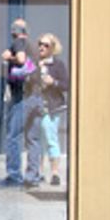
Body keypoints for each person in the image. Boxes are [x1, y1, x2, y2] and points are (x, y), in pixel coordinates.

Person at [0, 23, 40, 187]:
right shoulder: (33, 47)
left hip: (22, 96)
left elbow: (21, 59)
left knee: (13, 137)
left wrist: (9, 57)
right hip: (36, 96)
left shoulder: (19, 43)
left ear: (15, 32)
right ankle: (33, 177)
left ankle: (14, 176)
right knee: (33, 139)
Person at [36, 32, 69, 189]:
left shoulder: (58, 65)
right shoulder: (35, 63)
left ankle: (55, 173)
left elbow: (66, 85)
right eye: (40, 44)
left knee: (50, 138)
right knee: (36, 140)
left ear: (53, 48)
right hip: (35, 107)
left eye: (46, 45)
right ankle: (39, 172)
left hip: (52, 107)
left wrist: (53, 82)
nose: (42, 47)